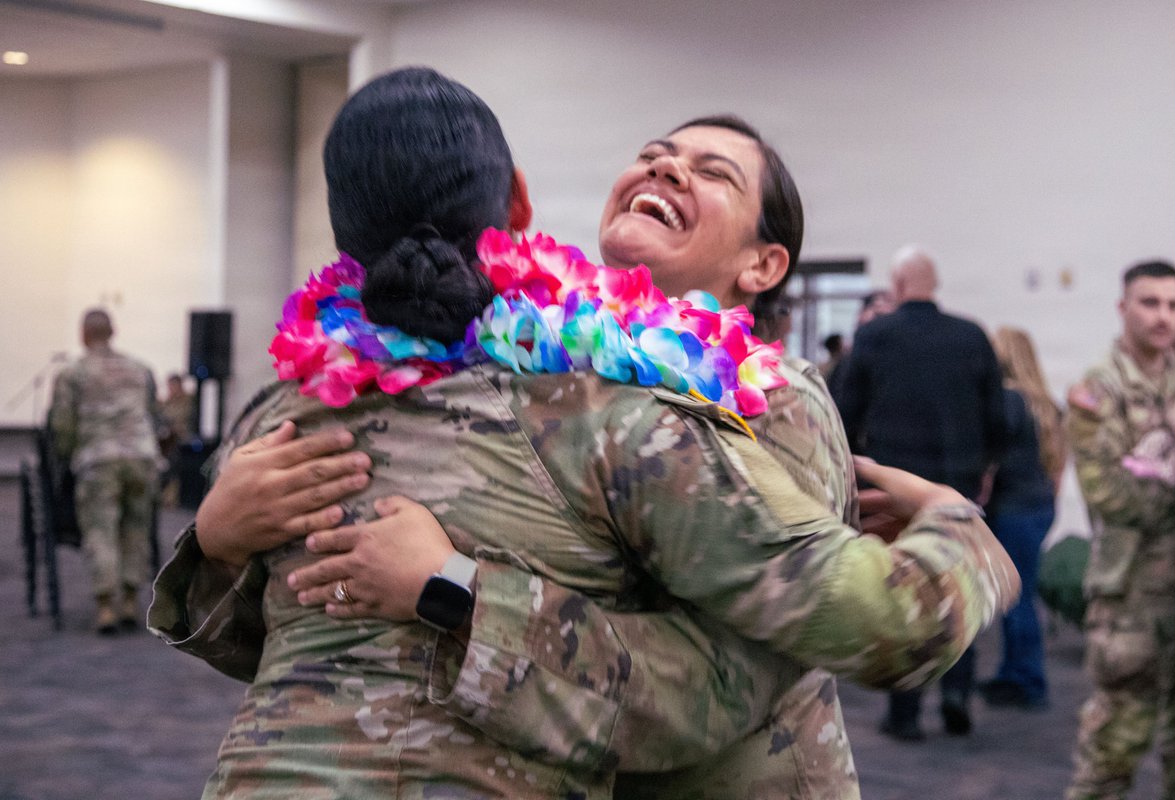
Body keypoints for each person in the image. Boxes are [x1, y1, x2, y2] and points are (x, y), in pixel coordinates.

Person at [151, 78, 1017, 798]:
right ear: (520, 209)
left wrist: (450, 591)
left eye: (711, 171)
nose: (667, 163)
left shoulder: (770, 397)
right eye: (653, 153)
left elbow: (758, 664)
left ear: (763, 266)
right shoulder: (548, 378)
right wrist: (221, 542)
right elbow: (309, 639)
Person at [833, 245, 1007, 740]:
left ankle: (905, 713)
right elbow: (998, 417)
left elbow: (844, 416)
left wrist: (859, 474)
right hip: (959, 484)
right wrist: (986, 471)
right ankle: (956, 695)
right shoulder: (972, 336)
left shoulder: (873, 336)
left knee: (904, 596)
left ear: (899, 286)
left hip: (897, 492)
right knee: (960, 588)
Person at [1063, 259, 1175, 800]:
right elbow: (1113, 497)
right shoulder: (1097, 391)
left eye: (1173, 304)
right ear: (1123, 308)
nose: (1163, 316)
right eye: (1150, 303)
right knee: (1115, 748)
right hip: (1133, 593)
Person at [49, 308, 160, 634]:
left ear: (83, 334)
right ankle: (129, 599)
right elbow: (152, 413)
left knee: (101, 530)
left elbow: (63, 425)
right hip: (141, 457)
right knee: (136, 527)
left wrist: (68, 457)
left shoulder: (73, 373)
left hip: (98, 461)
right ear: (113, 331)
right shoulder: (140, 369)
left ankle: (105, 606)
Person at [977, 326, 1065, 710]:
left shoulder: (1007, 401)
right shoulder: (1046, 403)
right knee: (1021, 594)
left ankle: (1026, 679)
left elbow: (990, 463)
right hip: (1040, 507)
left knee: (1017, 598)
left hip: (1013, 509)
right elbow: (1059, 464)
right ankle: (1015, 672)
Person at [157, 373, 196, 506]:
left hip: (183, 439)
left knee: (174, 463)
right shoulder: (165, 403)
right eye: (169, 386)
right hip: (167, 439)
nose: (171, 389)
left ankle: (171, 497)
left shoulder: (189, 401)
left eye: (173, 386)